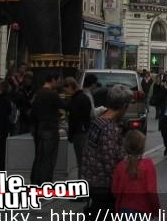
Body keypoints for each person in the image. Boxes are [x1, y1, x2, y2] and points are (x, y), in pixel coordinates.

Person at [82, 85, 132, 218]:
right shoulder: (109, 128)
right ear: (123, 106)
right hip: (104, 186)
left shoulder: (98, 121)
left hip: (91, 179)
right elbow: (110, 161)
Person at [112, 130, 160, 215]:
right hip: (142, 209)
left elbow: (115, 191)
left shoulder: (120, 166)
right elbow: (151, 191)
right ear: (142, 147)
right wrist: (157, 210)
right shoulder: (148, 165)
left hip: (123, 210)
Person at [30, 74, 64, 184]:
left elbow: (33, 111)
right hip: (50, 128)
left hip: (39, 127)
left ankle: (36, 181)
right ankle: (46, 182)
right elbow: (63, 106)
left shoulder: (38, 93)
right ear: (52, 80)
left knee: (39, 156)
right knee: (48, 158)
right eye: (57, 81)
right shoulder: (53, 94)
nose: (58, 83)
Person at [64, 77, 92, 176]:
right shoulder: (83, 97)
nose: (66, 92)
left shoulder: (76, 99)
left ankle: (82, 180)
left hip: (79, 132)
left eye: (66, 89)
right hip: (83, 130)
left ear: (71, 86)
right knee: (82, 159)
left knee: (81, 159)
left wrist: (70, 135)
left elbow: (74, 118)